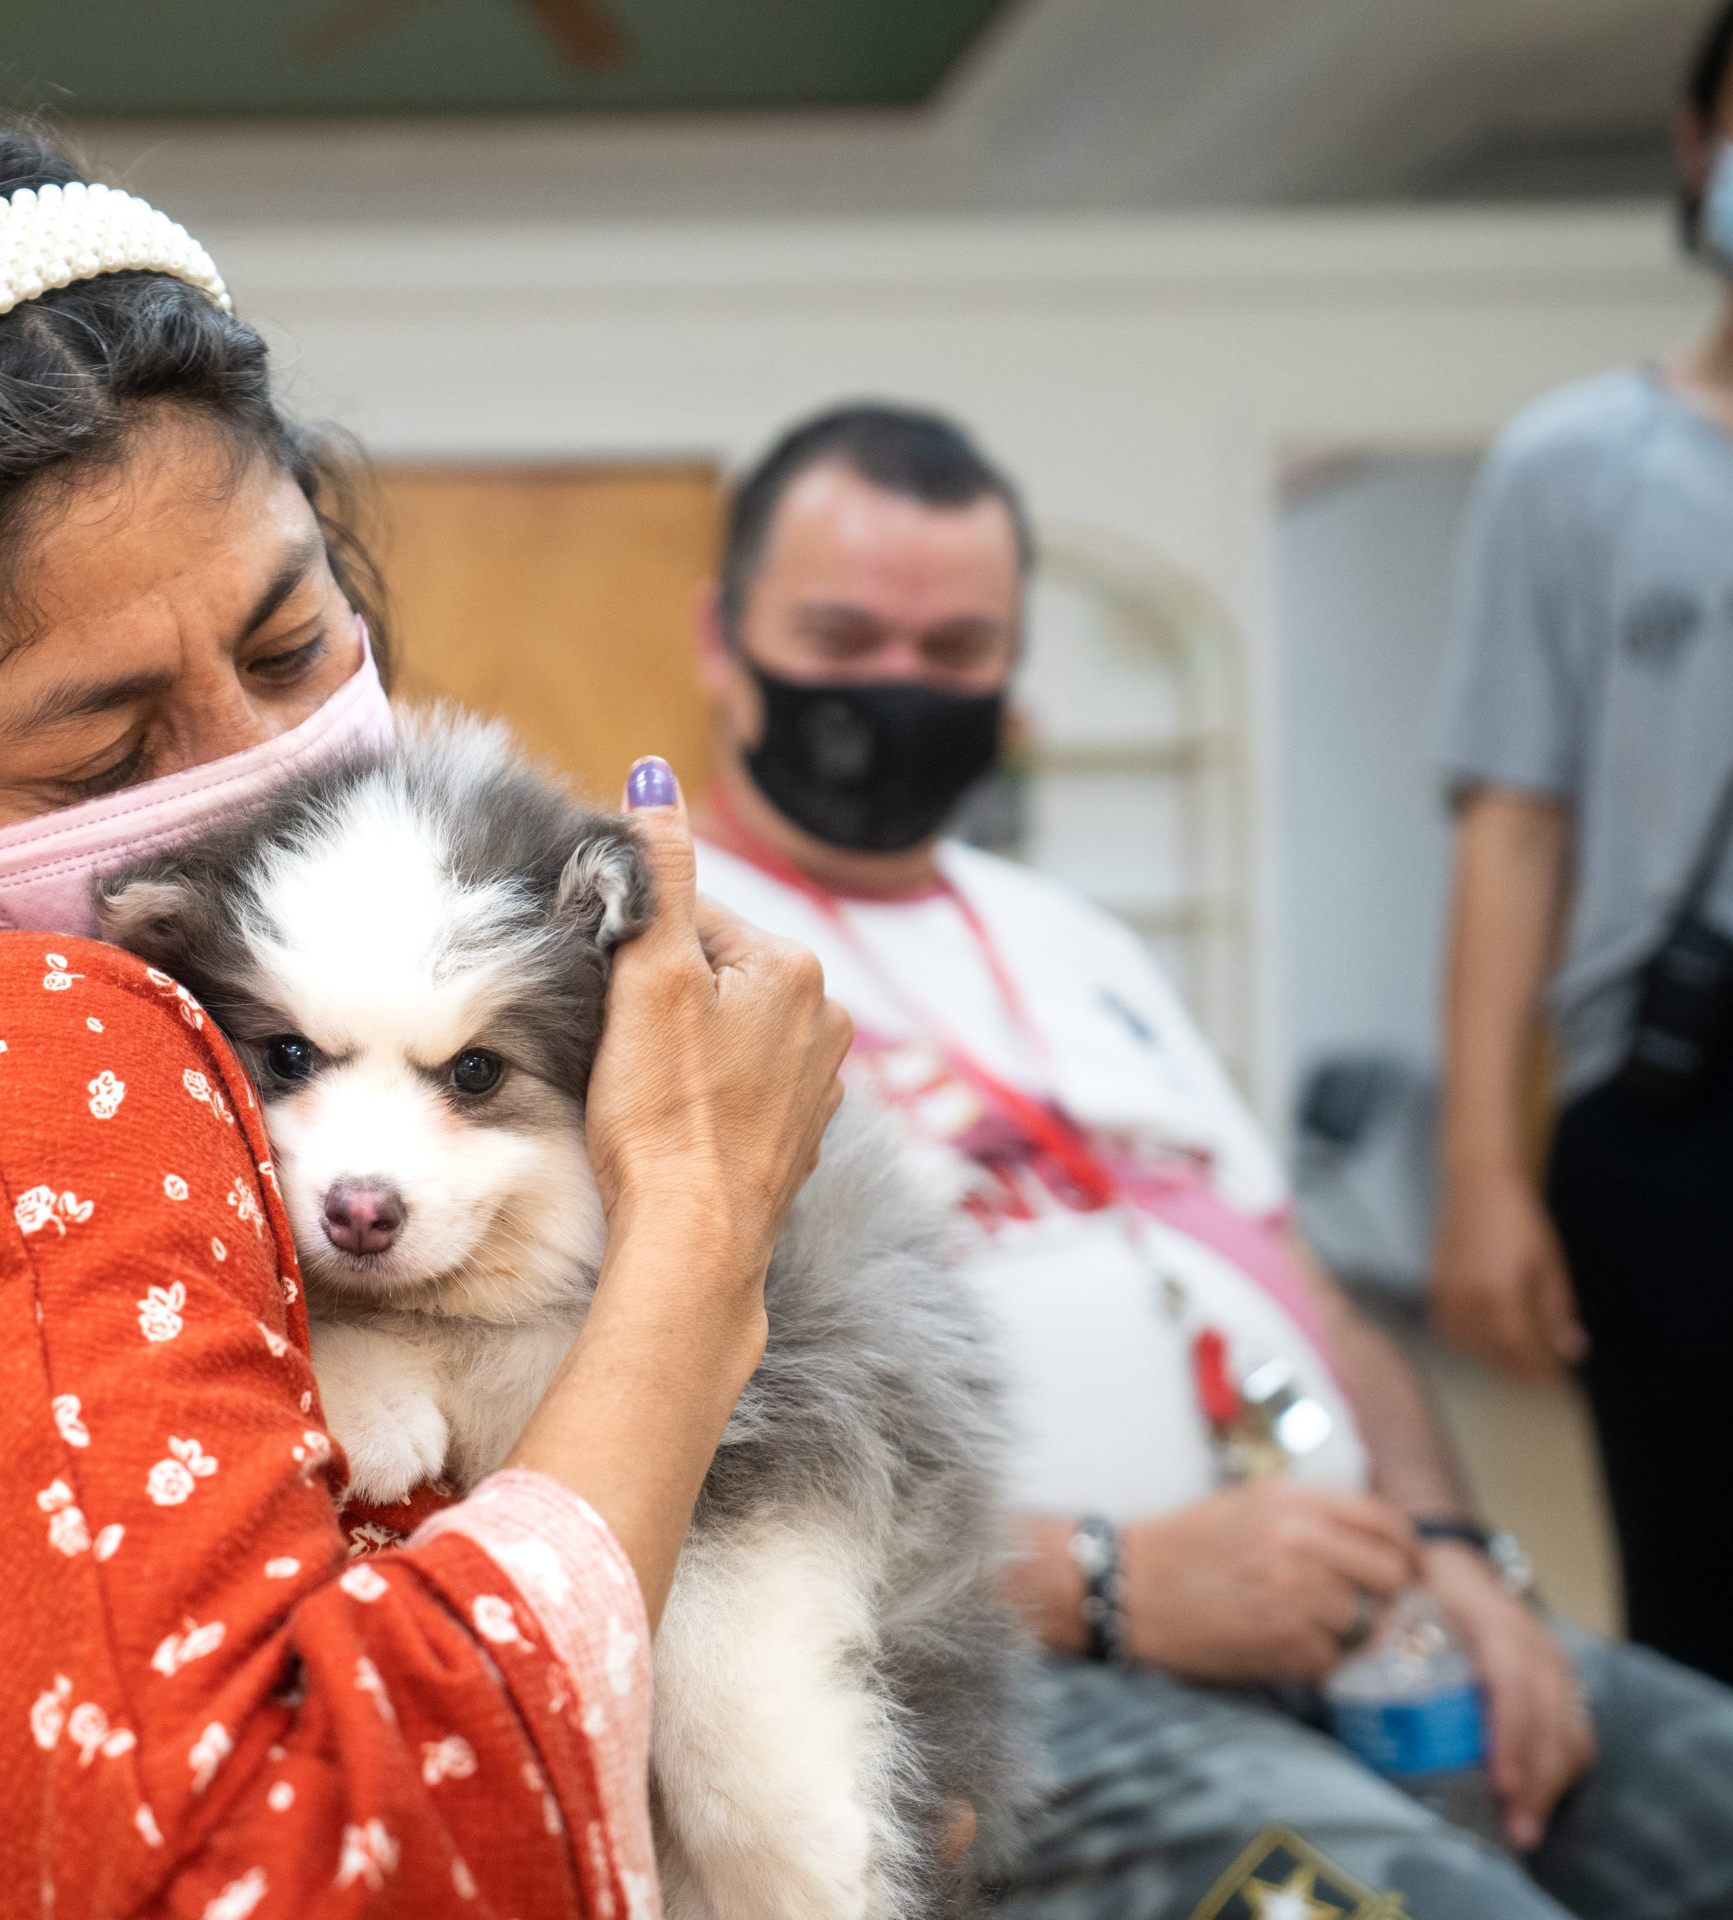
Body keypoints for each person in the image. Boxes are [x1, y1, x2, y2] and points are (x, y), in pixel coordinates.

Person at [0, 109, 851, 1919]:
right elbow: (270, 1879)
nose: (267, 785)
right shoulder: (18, 1061)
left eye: (287, 648)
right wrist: (698, 1235)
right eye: (104, 749)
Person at [690, 401, 1733, 1919]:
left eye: (958, 650)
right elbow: (665, 1450)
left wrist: (1455, 1549)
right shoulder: (666, 954)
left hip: (1358, 1613)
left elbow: (1307, 1287)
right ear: (723, 641)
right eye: (845, 640)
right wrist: (1110, 1579)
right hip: (1013, 1661)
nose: (900, 686)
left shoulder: (1074, 939)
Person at [1429, 0, 1733, 1689]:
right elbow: (1517, 827)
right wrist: (1483, 1172)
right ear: (1697, 145)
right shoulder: (1576, 468)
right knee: (1700, 1600)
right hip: (1674, 1111)